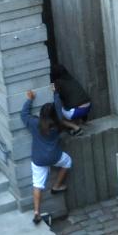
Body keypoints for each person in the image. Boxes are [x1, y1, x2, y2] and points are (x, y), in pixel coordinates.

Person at [21, 89, 71, 225]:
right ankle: (57, 185)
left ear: (41, 114)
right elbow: (59, 111)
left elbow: (24, 115)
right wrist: (55, 94)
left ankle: (37, 212)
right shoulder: (58, 124)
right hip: (55, 157)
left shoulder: (34, 124)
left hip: (39, 159)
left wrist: (30, 99)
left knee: (37, 185)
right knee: (68, 162)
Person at [51, 65, 92, 135]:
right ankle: (80, 123)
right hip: (88, 107)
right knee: (69, 107)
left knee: (58, 116)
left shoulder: (58, 83)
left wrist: (53, 87)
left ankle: (77, 128)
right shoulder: (72, 79)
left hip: (78, 111)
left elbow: (56, 97)